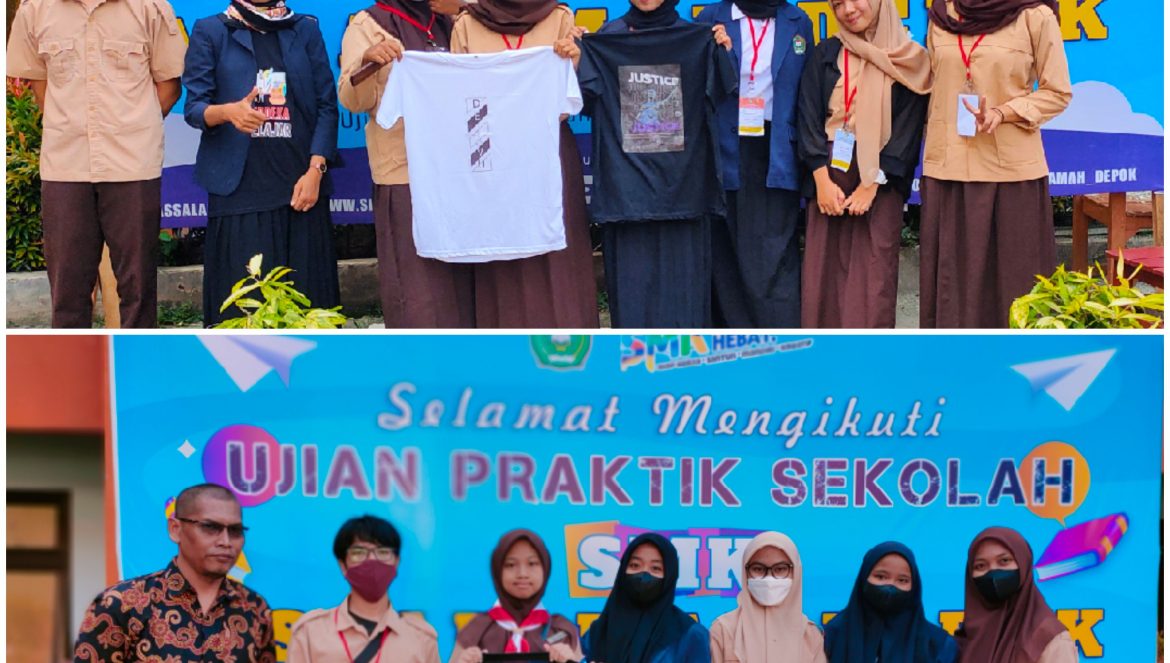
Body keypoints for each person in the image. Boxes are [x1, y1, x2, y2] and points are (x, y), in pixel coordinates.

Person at [6, 0, 187, 328]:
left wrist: (135, 128)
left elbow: (169, 85)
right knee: (68, 290)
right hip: (65, 166)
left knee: (138, 287)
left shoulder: (149, 8)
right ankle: (71, 359)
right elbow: (39, 83)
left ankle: (137, 359)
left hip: (133, 165)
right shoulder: (37, 9)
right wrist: (68, 126)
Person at [183, 0, 341, 327]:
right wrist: (228, 112)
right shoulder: (212, 30)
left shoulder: (304, 29)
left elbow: (327, 106)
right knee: (244, 315)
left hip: (302, 193)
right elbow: (195, 109)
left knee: (310, 312)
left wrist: (316, 170)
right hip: (240, 194)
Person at [919, 0, 1071, 328]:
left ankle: (1017, 359)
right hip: (948, 170)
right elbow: (928, 85)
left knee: (1016, 285)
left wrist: (1004, 112)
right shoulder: (942, 16)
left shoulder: (1035, 16)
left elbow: (1058, 92)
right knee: (953, 290)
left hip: (1011, 174)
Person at [582, 0, 733, 329]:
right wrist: (579, 58)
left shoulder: (696, 37)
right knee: (633, 306)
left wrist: (721, 50)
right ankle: (634, 364)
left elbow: (724, 90)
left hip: (684, 198)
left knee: (685, 308)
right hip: (627, 201)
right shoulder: (607, 38)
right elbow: (584, 102)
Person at [450, 0, 600, 328]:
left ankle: (566, 340)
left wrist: (576, 61)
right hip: (492, 156)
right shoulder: (467, 24)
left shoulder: (559, 17)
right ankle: (505, 343)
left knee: (557, 251)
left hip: (548, 150)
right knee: (501, 247)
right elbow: (458, 96)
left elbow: (572, 95)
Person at [338, 0, 475, 328]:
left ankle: (467, 353)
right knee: (418, 288)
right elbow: (351, 99)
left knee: (462, 281)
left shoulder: (451, 20)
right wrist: (368, 61)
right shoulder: (369, 24)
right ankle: (417, 357)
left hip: (457, 174)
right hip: (404, 174)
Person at [797, 0, 930, 328]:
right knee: (822, 276)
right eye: (838, 4)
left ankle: (869, 354)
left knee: (874, 276)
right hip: (829, 176)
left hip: (881, 180)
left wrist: (872, 185)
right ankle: (825, 354)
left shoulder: (910, 60)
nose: (848, 9)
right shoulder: (826, 53)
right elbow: (808, 116)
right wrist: (821, 180)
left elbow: (907, 131)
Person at [696, 0, 813, 328]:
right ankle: (733, 341)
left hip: (777, 151)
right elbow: (695, 81)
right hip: (725, 147)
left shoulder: (797, 20)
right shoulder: (712, 18)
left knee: (774, 252)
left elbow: (806, 90)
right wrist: (716, 53)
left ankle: (781, 340)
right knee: (728, 251)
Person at [73, 484, 275, 661]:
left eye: (235, 531)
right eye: (210, 527)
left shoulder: (254, 609)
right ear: (175, 529)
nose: (225, 541)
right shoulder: (122, 604)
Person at [288, 515, 441, 662]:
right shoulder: (310, 632)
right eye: (359, 552)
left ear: (396, 562)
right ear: (343, 565)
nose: (372, 560)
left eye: (383, 552)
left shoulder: (421, 638)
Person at [450, 529, 581, 663]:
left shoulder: (562, 630)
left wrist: (570, 661)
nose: (522, 574)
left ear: (545, 568)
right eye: (511, 565)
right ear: (497, 570)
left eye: (532, 563)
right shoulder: (476, 630)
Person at [582, 532, 710, 663]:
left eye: (655, 568)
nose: (644, 574)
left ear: (669, 576)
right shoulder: (597, 633)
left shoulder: (690, 635)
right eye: (635, 565)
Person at [955, 527, 1077, 663]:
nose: (993, 572)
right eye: (981, 566)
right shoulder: (963, 641)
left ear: (1023, 564)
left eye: (1004, 561)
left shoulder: (1048, 637)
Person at [823, 541, 958, 662]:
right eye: (881, 576)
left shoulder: (937, 644)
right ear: (863, 578)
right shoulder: (832, 635)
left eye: (902, 580)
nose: (890, 586)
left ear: (914, 586)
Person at [709, 531, 825, 663]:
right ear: (745, 572)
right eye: (758, 569)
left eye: (780, 569)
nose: (769, 579)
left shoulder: (810, 635)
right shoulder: (723, 630)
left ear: (795, 573)